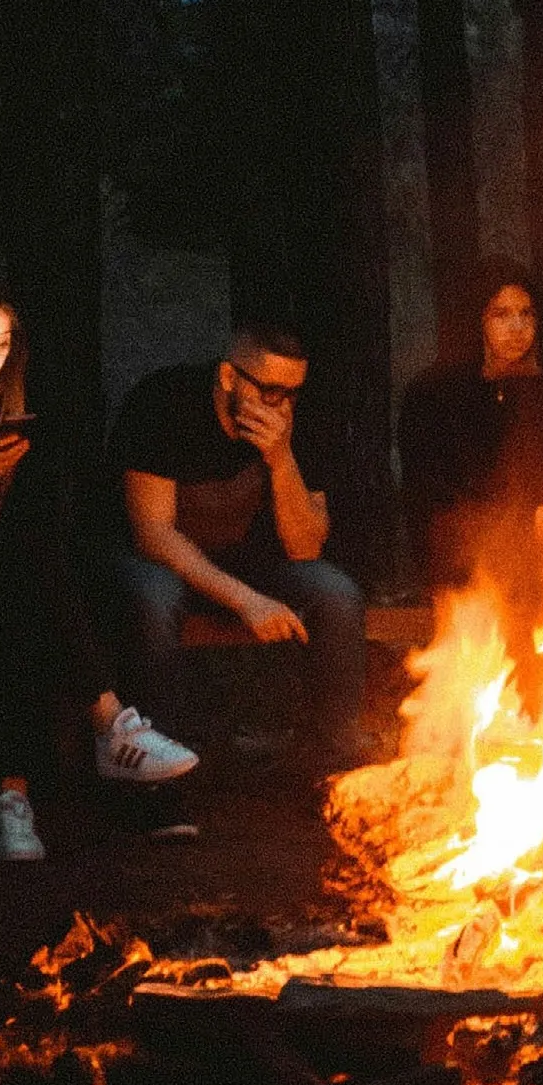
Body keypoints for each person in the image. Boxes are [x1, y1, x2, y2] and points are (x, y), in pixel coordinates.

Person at [0, 287, 198, 859]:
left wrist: (13, 479)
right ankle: (111, 732)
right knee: (28, 581)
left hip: (10, 575)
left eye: (2, 342)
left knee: (26, 589)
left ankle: (16, 801)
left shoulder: (13, 408)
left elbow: (45, 516)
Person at [112, 323, 368, 779]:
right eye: (271, 391)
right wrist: (245, 600)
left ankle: (334, 768)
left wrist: (282, 458)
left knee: (336, 593)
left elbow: (306, 545)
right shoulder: (165, 403)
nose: (283, 405)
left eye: (293, 393)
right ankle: (158, 776)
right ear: (230, 377)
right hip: (162, 560)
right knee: (154, 599)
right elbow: (153, 532)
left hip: (246, 561)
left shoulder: (295, 420)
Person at [394, 257, 543, 605]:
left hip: (542, 554)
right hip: (463, 557)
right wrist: (521, 522)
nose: (518, 327)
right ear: (476, 321)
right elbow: (433, 497)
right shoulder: (433, 394)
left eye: (527, 314)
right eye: (501, 315)